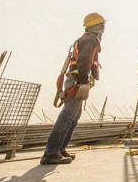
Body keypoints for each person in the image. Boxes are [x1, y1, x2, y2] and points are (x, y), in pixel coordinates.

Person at [40, 13, 105, 165]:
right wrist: (84, 83)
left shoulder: (86, 39)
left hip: (76, 80)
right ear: (98, 26)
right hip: (76, 81)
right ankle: (50, 153)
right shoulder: (90, 40)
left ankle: (60, 149)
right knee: (67, 116)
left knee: (73, 117)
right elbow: (83, 62)